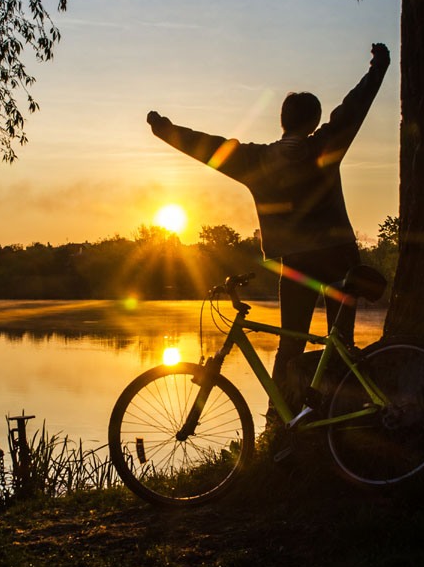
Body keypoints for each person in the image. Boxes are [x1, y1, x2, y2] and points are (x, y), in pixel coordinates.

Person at [146, 43, 390, 423]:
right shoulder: (324, 147)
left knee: (290, 343)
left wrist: (165, 130)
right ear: (313, 122)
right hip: (339, 256)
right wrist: (378, 67)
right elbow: (353, 109)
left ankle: (279, 421)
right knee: (341, 344)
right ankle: (347, 417)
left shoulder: (255, 161)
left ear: (283, 121)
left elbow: (207, 147)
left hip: (294, 262)